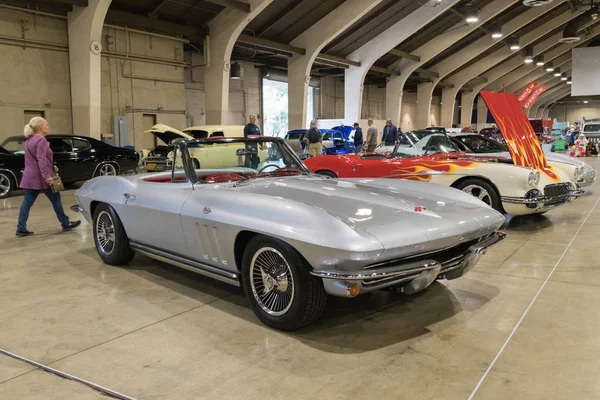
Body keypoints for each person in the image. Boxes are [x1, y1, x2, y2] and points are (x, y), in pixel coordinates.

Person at [16, 117, 80, 237]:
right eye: (46, 125)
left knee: (27, 202)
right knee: (56, 200)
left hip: (30, 177)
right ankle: (65, 224)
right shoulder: (41, 141)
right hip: (42, 178)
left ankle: (20, 228)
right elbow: (41, 159)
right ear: (41, 127)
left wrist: (51, 165)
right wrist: (47, 176)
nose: (48, 127)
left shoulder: (29, 140)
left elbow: (34, 160)